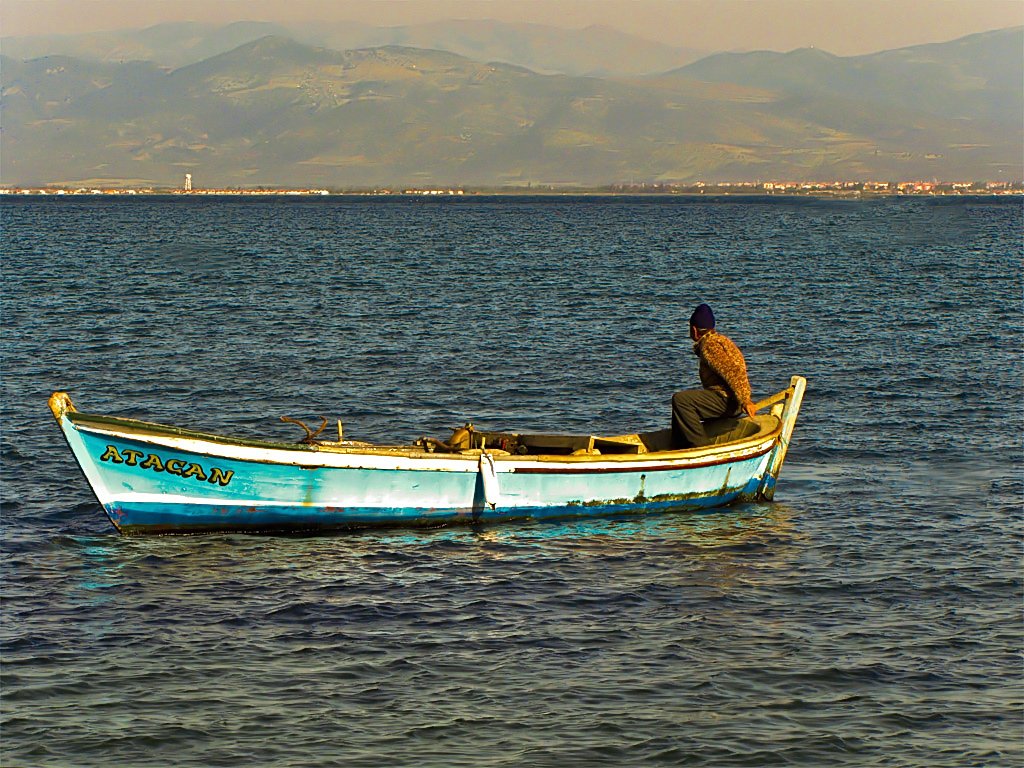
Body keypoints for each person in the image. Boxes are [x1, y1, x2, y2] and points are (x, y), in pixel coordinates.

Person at [671, 303, 757, 448]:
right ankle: (679, 445)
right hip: (732, 400)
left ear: (694, 330)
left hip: (728, 401)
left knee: (681, 401)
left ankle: (701, 447)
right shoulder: (722, 341)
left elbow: (733, 373)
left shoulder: (710, 346)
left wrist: (745, 400)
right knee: (681, 407)